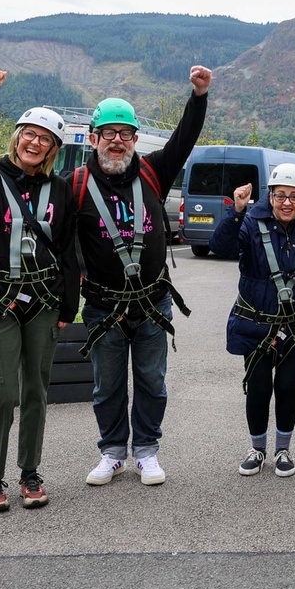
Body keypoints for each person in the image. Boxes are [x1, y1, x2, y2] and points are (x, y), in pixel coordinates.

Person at [71, 65, 212, 487]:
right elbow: (55, 239)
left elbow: (184, 139)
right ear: (94, 138)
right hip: (102, 306)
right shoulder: (76, 183)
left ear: (134, 139)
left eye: (125, 133)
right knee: (107, 386)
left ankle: (146, 451)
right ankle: (113, 453)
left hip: (153, 303)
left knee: (152, 381)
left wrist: (199, 95)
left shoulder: (153, 171)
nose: (117, 140)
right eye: (109, 133)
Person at [0, 68, 79, 512]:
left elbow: (66, 250)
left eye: (45, 138)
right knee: (0, 395)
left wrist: (68, 304)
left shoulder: (59, 190)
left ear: (54, 149)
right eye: (29, 133)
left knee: (35, 393)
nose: (35, 141)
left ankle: (29, 472)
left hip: (43, 303)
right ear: (16, 136)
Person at [209, 164, 295, 477]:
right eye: (281, 195)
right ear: (270, 196)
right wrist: (237, 211)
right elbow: (220, 246)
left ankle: (283, 449)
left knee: (287, 385)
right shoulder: (251, 223)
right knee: (258, 387)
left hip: (294, 322)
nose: (287, 203)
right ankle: (257, 449)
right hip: (256, 322)